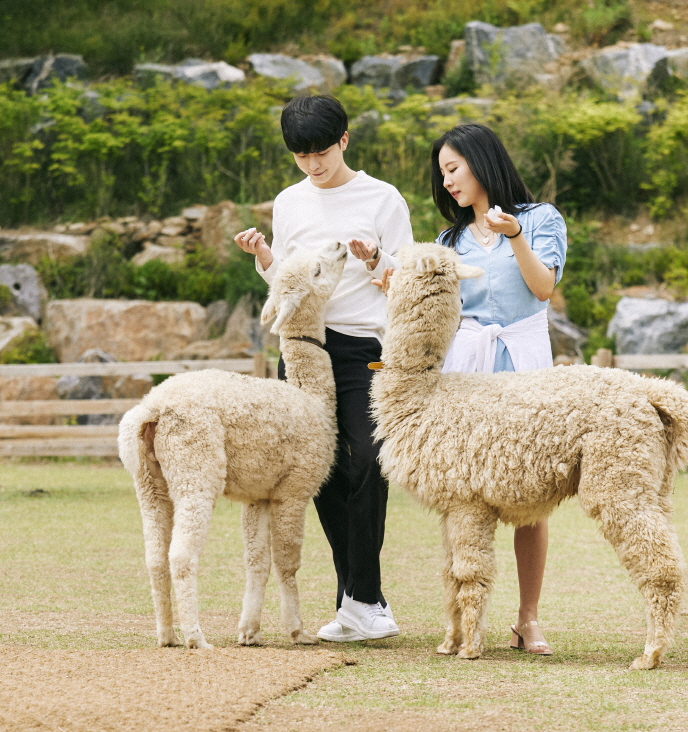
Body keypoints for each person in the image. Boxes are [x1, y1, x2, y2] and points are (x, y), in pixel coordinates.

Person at [380, 123, 567, 654]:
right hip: (466, 369)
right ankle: (464, 614)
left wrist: (514, 237)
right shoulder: (449, 241)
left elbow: (543, 288)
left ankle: (528, 618)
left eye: (453, 168)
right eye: (442, 174)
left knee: (531, 500)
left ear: (482, 160)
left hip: (522, 363)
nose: (448, 182)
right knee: (466, 499)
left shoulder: (538, 219)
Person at [233, 95, 412, 643]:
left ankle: (364, 598)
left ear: (345, 141)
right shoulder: (289, 202)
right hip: (304, 347)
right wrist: (265, 258)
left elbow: (404, 275)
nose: (313, 165)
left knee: (368, 463)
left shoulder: (383, 199)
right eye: (301, 155)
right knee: (320, 472)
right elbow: (288, 282)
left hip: (364, 345)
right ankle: (360, 602)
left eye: (321, 153)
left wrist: (374, 261)